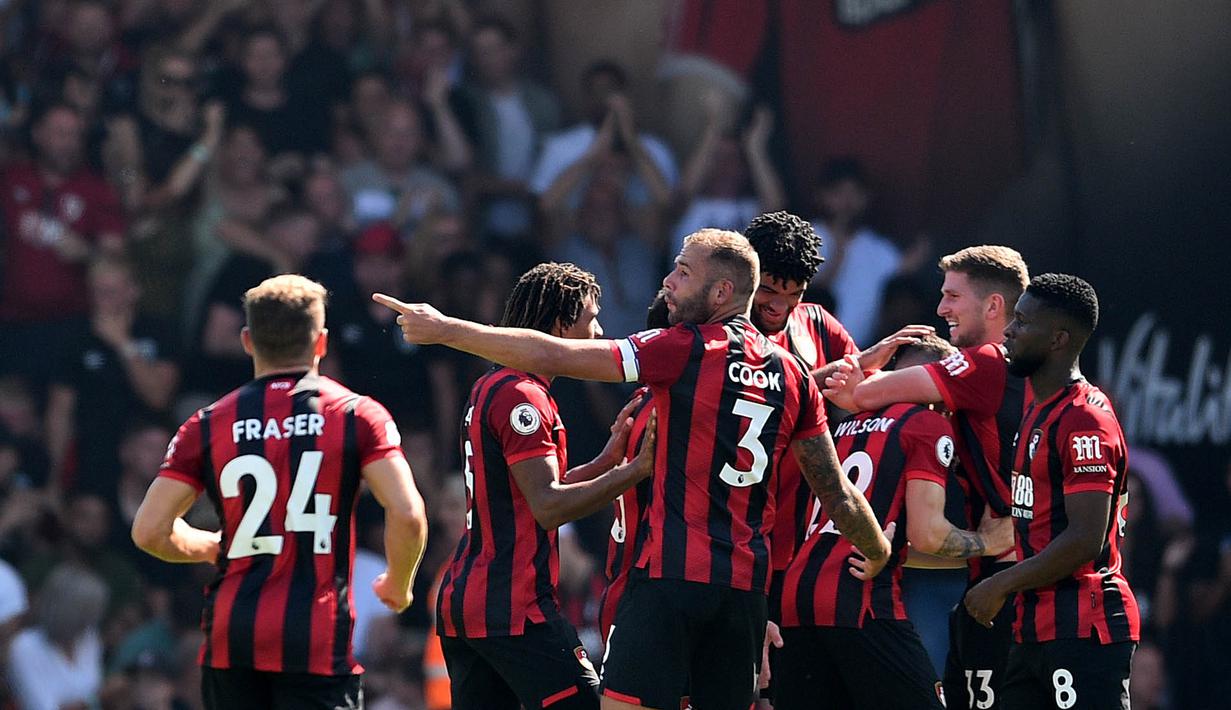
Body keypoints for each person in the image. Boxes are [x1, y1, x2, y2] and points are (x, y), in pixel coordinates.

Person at [375, 229, 891, 710]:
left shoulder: (683, 349)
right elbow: (837, 492)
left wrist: (446, 329)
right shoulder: (794, 375)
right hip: (743, 593)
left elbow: (556, 352)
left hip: (667, 579)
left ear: (721, 292)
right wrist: (877, 549)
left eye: (684, 272)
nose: (669, 280)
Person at [131, 274, 429, 710]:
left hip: (233, 635)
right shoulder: (356, 415)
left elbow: (150, 531)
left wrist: (213, 548)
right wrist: (400, 585)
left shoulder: (208, 423)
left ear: (248, 341)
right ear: (321, 342)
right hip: (316, 637)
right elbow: (407, 514)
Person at [431, 262, 656, 709]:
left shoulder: (493, 385)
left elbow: (526, 493)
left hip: (469, 603)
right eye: (592, 319)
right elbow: (548, 506)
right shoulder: (523, 396)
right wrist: (633, 472)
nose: (599, 332)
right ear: (560, 325)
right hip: (513, 608)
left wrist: (606, 460)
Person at [825, 244, 1030, 706]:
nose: (941, 309)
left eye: (953, 296)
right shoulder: (988, 381)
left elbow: (859, 395)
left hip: (1014, 578)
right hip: (986, 579)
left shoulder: (990, 360)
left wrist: (864, 374)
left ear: (993, 306)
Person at [775, 335, 1014, 709]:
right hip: (860, 598)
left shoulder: (841, 427)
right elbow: (928, 534)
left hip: (797, 597)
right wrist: (989, 542)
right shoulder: (926, 423)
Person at [964, 273, 1138, 709]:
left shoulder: (1084, 419)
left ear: (1058, 339)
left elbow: (1084, 539)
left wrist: (998, 584)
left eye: (1022, 322)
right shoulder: (1038, 408)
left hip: (1083, 628)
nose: (1008, 330)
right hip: (1035, 629)